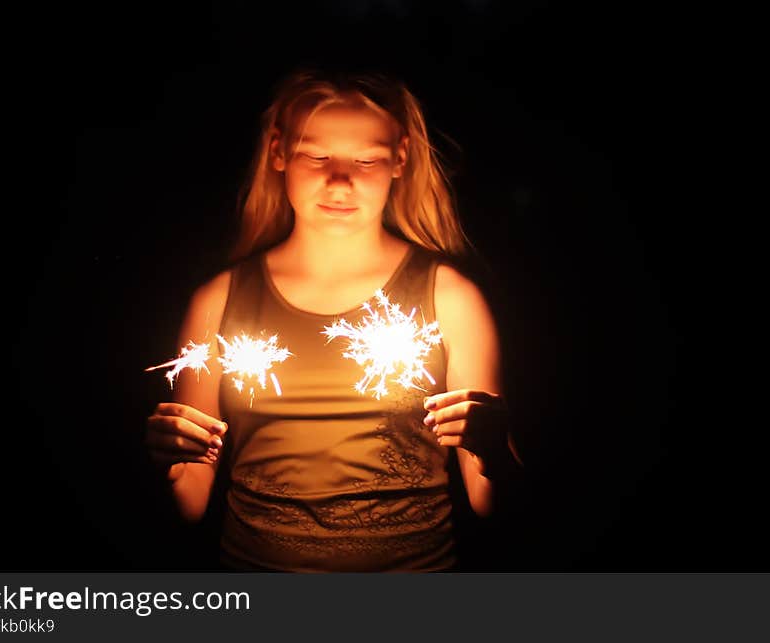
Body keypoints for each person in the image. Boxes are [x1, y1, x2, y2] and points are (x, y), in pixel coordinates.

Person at [145, 69, 522, 572]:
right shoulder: (222, 300)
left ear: (399, 159)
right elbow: (191, 497)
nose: (340, 180)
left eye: (366, 159)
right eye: (316, 155)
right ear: (278, 152)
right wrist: (168, 462)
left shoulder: (448, 297)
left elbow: (489, 501)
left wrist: (496, 451)